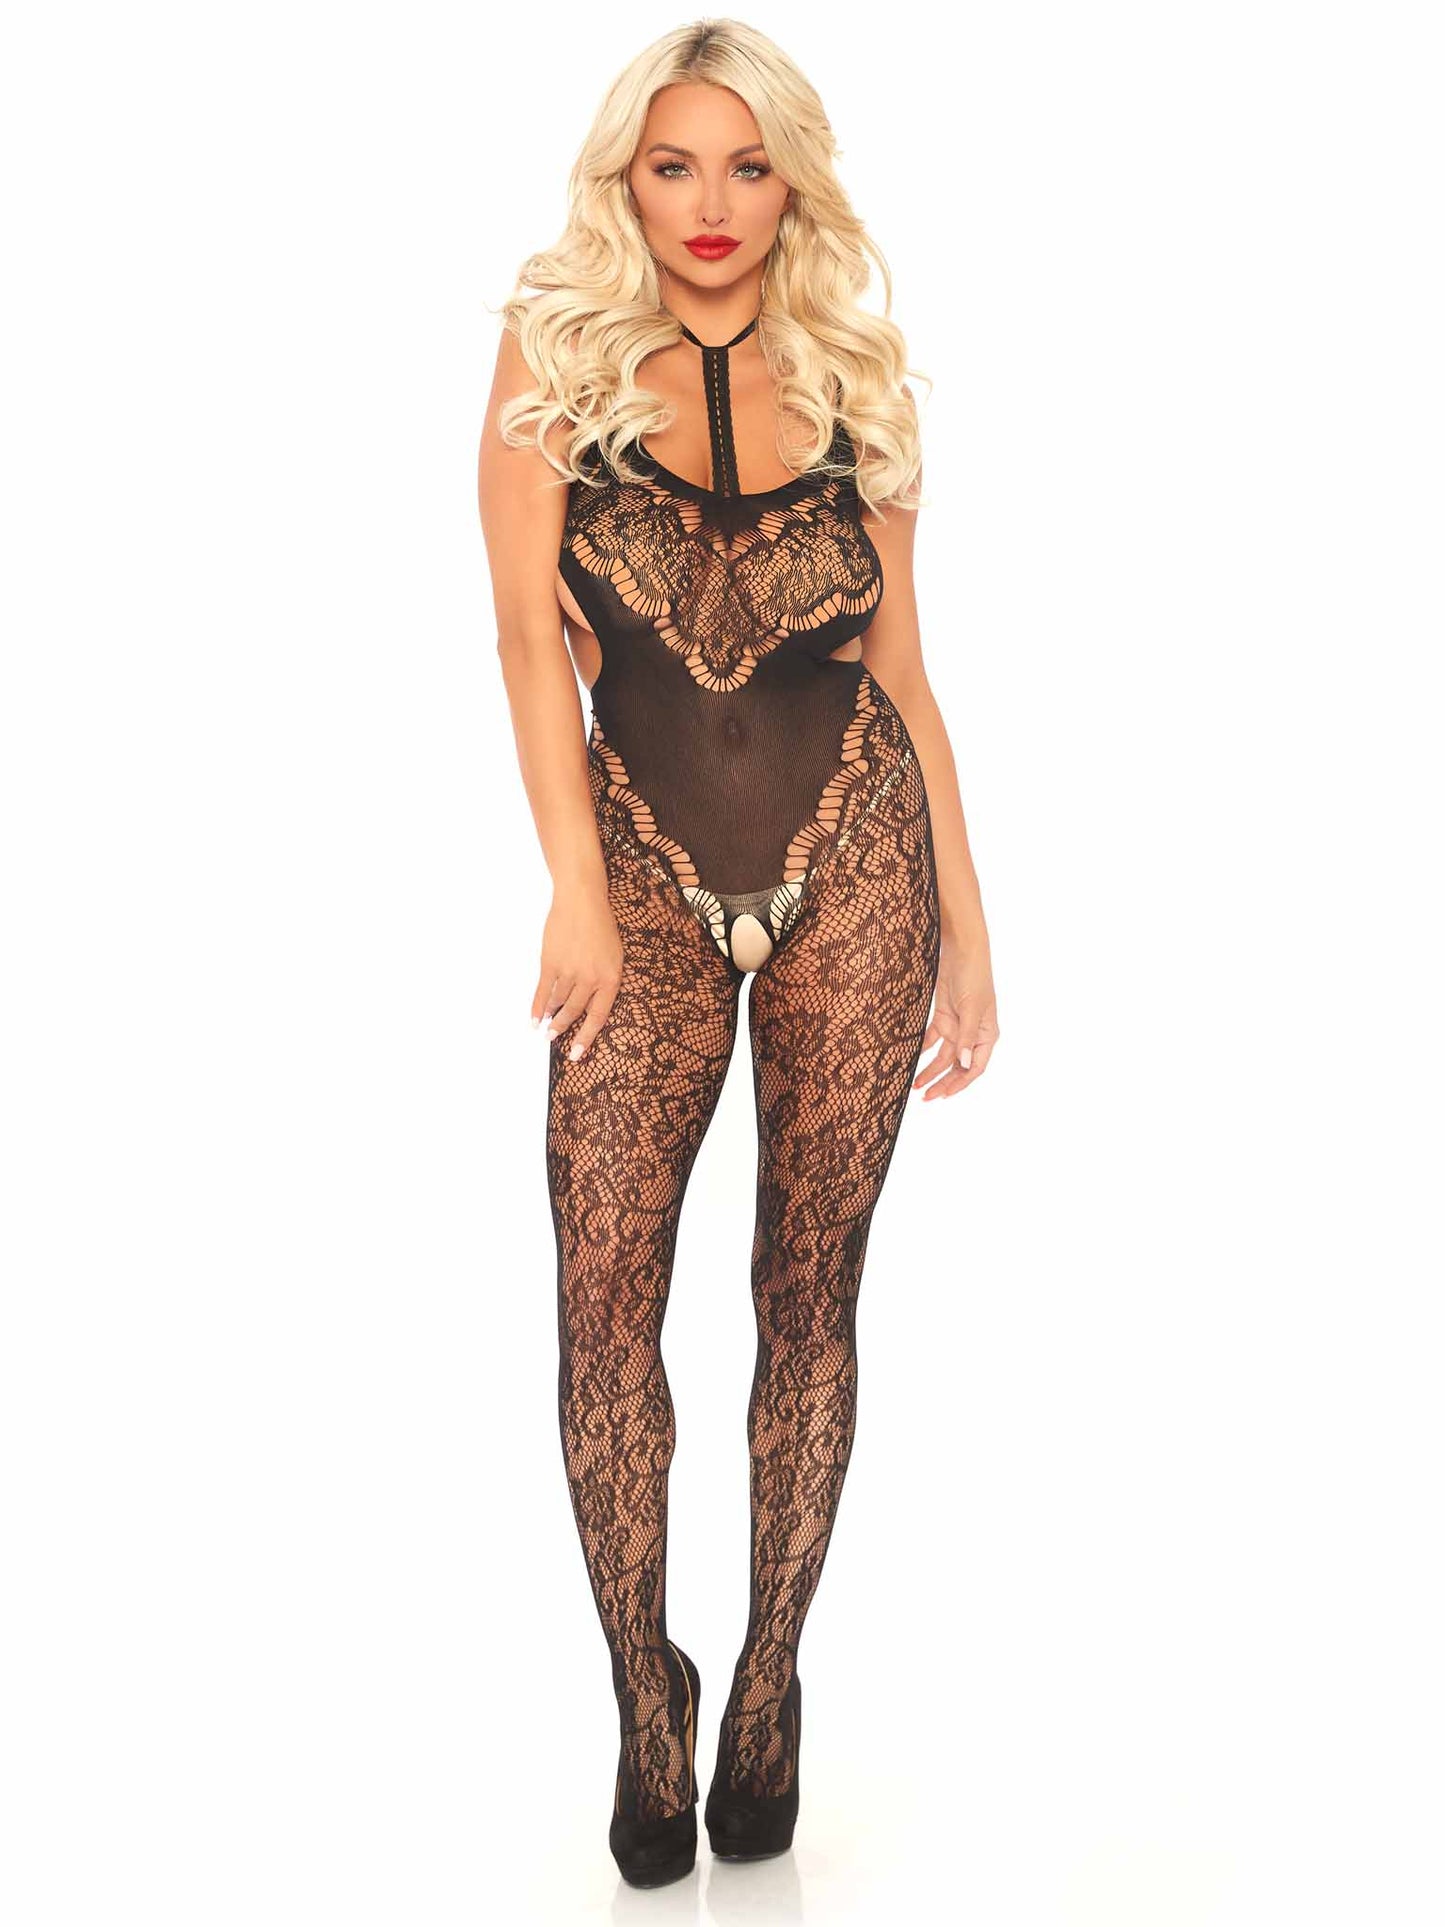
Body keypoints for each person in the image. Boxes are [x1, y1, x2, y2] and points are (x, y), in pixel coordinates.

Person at [476, 18, 998, 1888]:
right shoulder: (553, 357)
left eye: (748, 166)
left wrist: (968, 927)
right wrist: (571, 881)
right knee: (601, 1299)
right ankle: (650, 1692)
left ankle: (769, 1675)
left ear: (794, 183)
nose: (710, 203)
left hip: (858, 856)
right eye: (674, 165)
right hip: (635, 866)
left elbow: (901, 674)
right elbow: (527, 643)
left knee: (809, 1294)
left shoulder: (854, 381)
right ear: (628, 178)